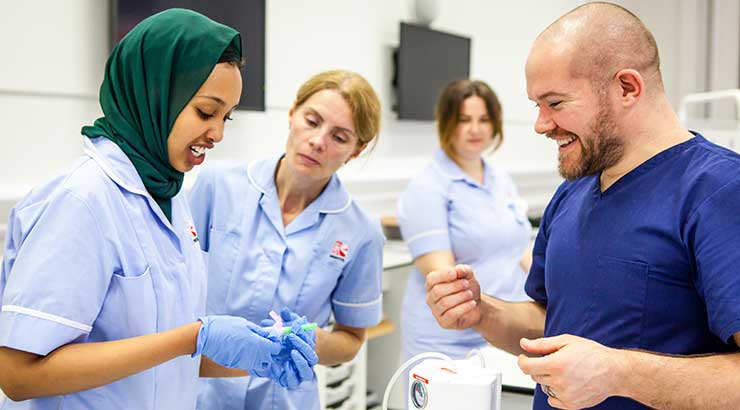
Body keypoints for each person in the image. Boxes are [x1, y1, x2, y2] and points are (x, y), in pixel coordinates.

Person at [424, 2, 740, 409]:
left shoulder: (718, 191)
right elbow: (551, 322)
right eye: (536, 105)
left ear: (627, 88)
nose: (540, 124)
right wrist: (482, 311)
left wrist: (619, 373)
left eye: (555, 103)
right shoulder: (573, 193)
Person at [0, 9, 315, 410]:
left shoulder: (169, 197)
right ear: (155, 94)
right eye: (205, 112)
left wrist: (257, 353)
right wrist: (194, 336)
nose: (217, 133)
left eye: (226, 117)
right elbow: (18, 374)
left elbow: (157, 354)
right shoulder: (82, 200)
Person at [188, 69, 384, 410]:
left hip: (284, 399)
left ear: (356, 150)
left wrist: (312, 340)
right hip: (199, 391)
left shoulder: (361, 232)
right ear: (292, 113)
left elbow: (351, 340)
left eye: (340, 137)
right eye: (312, 121)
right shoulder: (218, 186)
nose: (318, 141)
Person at [397, 79, 532, 361]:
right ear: (447, 123)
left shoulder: (501, 180)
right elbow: (445, 280)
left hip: (502, 329)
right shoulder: (428, 186)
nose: (475, 129)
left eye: (484, 119)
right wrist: (490, 313)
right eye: (464, 120)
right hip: (449, 339)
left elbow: (520, 250)